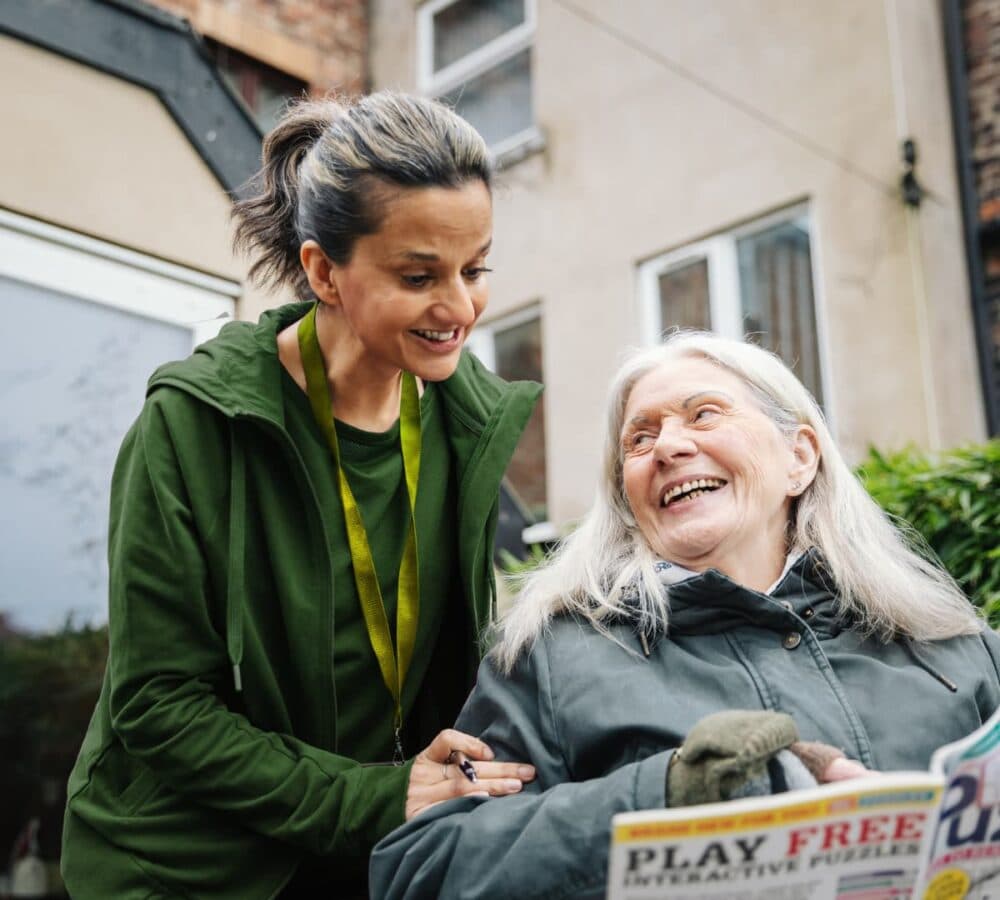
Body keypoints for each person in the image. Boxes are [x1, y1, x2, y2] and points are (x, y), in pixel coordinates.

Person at [60, 92, 541, 899]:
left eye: (476, 268)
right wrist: (375, 797)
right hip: (187, 869)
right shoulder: (194, 425)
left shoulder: (468, 424)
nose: (460, 307)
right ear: (324, 270)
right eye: (419, 275)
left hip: (369, 854)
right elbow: (158, 705)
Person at [369, 331, 1000, 900]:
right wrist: (669, 796)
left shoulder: (949, 644)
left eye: (704, 414)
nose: (668, 447)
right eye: (639, 439)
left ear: (800, 457)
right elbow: (423, 868)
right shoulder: (555, 659)